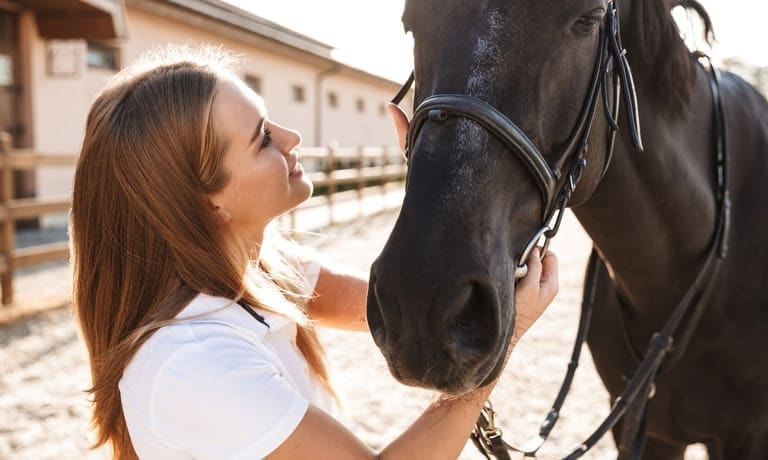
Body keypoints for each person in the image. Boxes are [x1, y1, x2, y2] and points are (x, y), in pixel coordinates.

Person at [71, 44, 559, 460]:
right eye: (262, 138)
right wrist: (504, 334)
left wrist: (436, 171)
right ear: (207, 200)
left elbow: (397, 308)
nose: (291, 139)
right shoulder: (193, 364)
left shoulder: (257, 273)